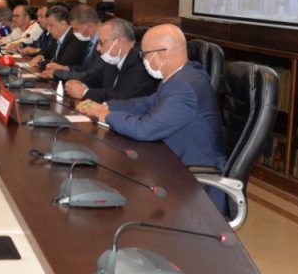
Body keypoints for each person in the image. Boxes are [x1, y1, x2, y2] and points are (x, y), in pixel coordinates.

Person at [80, 24, 226, 172]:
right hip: (170, 159)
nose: (142, 59)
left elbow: (144, 129)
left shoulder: (183, 87)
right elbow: (145, 103)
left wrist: (106, 115)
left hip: (191, 174)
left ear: (161, 55)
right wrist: (105, 106)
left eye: (144, 54)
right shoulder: (181, 76)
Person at [64, 17, 158, 103]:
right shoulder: (114, 58)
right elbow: (95, 78)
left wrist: (85, 92)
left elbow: (120, 97)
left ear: (120, 42)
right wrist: (80, 84)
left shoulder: (140, 62)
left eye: (101, 42)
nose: (98, 48)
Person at [42, 5, 102, 81]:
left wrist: (56, 73)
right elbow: (84, 68)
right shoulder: (91, 42)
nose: (73, 32)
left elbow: (92, 75)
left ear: (89, 26)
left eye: (76, 29)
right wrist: (65, 68)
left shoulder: (103, 44)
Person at [28, 5, 87, 69]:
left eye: (51, 25)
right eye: (48, 25)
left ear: (63, 24)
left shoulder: (75, 37)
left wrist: (41, 62)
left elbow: (64, 63)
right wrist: (40, 56)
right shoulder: (57, 36)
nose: (48, 29)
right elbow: (47, 51)